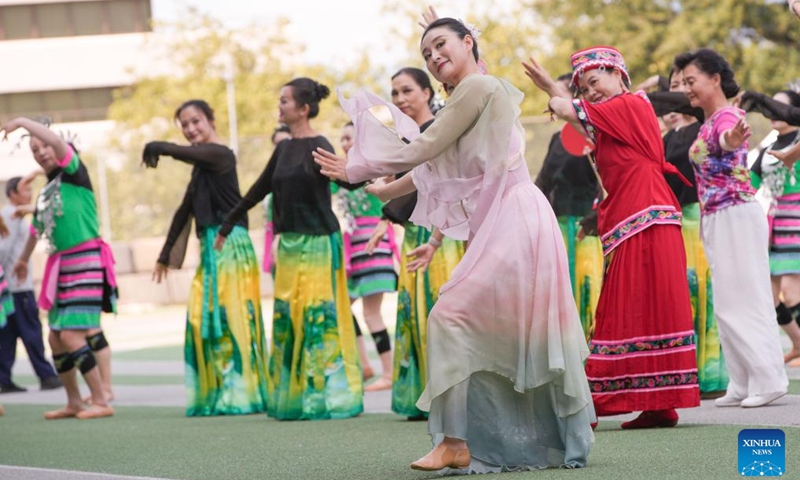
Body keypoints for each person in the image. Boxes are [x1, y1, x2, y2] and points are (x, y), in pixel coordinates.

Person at [316, 18, 594, 471]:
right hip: (509, 218)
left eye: (440, 46)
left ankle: (455, 441)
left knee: (451, 315)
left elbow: (425, 148)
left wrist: (357, 169)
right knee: (500, 328)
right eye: (426, 53)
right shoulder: (474, 91)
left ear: (469, 43)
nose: (432, 57)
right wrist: (388, 190)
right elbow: (441, 162)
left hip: (517, 216)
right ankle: (508, 439)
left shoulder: (478, 88)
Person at [525, 46, 700, 428]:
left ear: (619, 75)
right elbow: (577, 119)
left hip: (645, 218)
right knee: (647, 308)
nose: (591, 92)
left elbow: (571, 112)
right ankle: (659, 404)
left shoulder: (631, 105)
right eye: (584, 89)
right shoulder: (618, 115)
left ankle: (596, 401)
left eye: (595, 81)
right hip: (641, 217)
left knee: (623, 307)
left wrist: (549, 88)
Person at [216, 78, 363, 421]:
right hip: (290, 245)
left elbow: (350, 179)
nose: (279, 106)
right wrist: (228, 224)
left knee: (317, 317)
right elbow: (257, 189)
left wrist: (370, 171)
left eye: (284, 101)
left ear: (304, 108)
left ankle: (326, 397)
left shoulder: (319, 144)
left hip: (319, 243)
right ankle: (294, 398)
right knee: (288, 317)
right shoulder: (282, 149)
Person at [674, 48, 788, 407]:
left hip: (736, 213)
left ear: (715, 79)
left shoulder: (728, 118)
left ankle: (768, 380)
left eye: (691, 81)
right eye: (684, 83)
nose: (687, 89)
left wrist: (731, 142)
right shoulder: (708, 121)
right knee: (726, 300)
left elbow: (728, 138)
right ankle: (741, 381)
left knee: (747, 296)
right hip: (716, 216)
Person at [144, 99, 269, 417]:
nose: (190, 129)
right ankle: (220, 392)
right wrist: (165, 254)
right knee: (207, 318)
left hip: (230, 244)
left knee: (230, 317)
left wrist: (159, 145)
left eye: (195, 121)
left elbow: (187, 153)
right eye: (184, 125)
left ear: (211, 120)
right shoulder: (201, 168)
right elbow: (184, 212)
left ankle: (242, 393)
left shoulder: (220, 155)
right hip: (211, 247)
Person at [2, 117, 116, 419]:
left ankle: (102, 400)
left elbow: (54, 143)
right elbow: (36, 229)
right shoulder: (47, 191)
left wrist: (23, 123)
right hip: (63, 266)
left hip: (86, 261)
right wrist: (24, 260)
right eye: (34, 149)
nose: (41, 152)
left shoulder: (74, 173)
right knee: (55, 337)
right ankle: (75, 401)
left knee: (73, 337)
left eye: (44, 147)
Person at [378, 67, 465, 418]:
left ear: (428, 93)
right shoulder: (407, 139)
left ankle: (450, 396)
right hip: (416, 237)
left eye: (407, 91)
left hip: (441, 236)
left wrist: (435, 237)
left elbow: (446, 187)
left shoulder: (439, 130)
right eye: (395, 93)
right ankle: (423, 395)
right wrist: (386, 218)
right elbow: (405, 197)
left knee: (439, 314)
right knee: (415, 314)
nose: (400, 99)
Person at [661, 70, 729, 398]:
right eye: (673, 87)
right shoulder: (665, 138)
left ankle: (713, 376)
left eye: (684, 86)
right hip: (674, 223)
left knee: (706, 292)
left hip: (700, 218)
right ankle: (686, 373)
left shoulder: (704, 126)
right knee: (684, 296)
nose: (678, 93)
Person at [535, 73, 603, 341]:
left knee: (589, 290)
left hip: (588, 230)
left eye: (559, 94)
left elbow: (607, 182)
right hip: (558, 230)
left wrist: (594, 217)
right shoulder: (556, 139)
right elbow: (542, 181)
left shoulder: (595, 134)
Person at [333, 121, 399, 392]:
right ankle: (365, 364)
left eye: (349, 137)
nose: (344, 143)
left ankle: (387, 372)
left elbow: (395, 184)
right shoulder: (341, 178)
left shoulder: (375, 171)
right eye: (342, 139)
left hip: (374, 244)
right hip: (353, 250)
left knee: (371, 312)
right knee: (343, 307)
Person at [749, 90, 800, 367]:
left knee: (791, 293)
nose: (772, 112)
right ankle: (797, 343)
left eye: (779, 105)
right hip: (775, 223)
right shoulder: (768, 149)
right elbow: (749, 186)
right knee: (769, 298)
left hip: (798, 219)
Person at [0, 176, 61, 393]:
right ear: (12, 193)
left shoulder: (15, 214)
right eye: (25, 190)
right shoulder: (11, 215)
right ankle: (46, 375)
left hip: (13, 286)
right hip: (17, 286)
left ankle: (3, 379)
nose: (29, 193)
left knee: (8, 335)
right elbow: (4, 249)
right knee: (31, 331)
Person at [262, 124, 291, 276]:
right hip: (273, 233)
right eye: (277, 145)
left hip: (290, 237)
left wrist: (279, 237)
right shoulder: (273, 174)